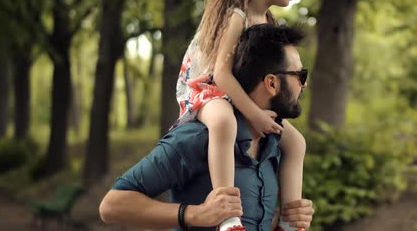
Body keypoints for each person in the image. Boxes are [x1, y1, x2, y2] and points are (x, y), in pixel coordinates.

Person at [99, 24, 314, 231]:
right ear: (272, 83)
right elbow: (112, 205)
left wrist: (284, 218)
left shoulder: (276, 145)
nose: (304, 85)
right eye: (300, 75)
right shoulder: (198, 138)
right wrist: (195, 214)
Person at [170, 0, 306, 231]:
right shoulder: (237, 15)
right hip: (205, 89)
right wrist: (255, 114)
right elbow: (220, 74)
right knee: (223, 123)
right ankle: (227, 216)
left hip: (238, 95)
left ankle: (289, 222)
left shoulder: (267, 21)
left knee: (295, 142)